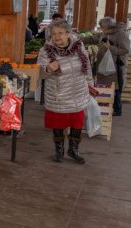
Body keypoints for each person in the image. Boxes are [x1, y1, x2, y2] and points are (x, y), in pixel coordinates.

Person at [38, 19, 94, 164]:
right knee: (58, 123)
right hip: (58, 95)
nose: (57, 37)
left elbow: (87, 66)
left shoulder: (79, 45)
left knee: (77, 123)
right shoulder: (45, 51)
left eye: (60, 33)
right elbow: (39, 74)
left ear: (68, 33)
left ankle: (73, 150)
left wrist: (90, 84)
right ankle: (59, 150)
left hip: (78, 92)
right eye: (53, 34)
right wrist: (48, 69)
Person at [95, 17, 130, 116]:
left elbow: (125, 50)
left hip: (115, 65)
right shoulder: (105, 33)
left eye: (102, 27)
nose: (101, 30)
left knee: (116, 87)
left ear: (108, 27)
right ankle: (107, 105)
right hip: (105, 65)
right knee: (107, 85)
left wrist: (110, 47)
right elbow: (96, 39)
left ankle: (117, 109)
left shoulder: (121, 34)